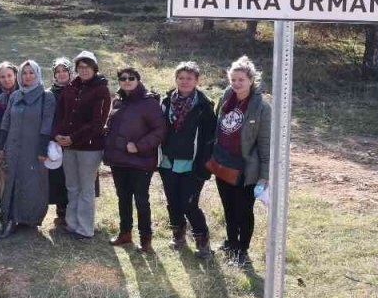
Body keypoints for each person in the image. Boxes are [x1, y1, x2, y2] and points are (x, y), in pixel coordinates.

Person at [210, 56, 271, 268]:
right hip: (223, 165)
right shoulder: (226, 97)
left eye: (241, 80)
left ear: (251, 80)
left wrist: (265, 174)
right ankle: (230, 243)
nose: (236, 84)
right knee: (228, 208)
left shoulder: (262, 108)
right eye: (233, 79)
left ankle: (242, 251)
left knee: (244, 211)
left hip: (246, 169)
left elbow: (265, 144)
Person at [103, 67, 167, 253]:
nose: (127, 81)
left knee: (141, 200)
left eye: (131, 78)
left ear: (138, 80)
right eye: (123, 78)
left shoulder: (149, 102)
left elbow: (160, 131)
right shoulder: (118, 100)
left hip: (141, 161)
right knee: (123, 198)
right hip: (118, 160)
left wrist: (139, 146)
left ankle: (146, 240)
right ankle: (125, 233)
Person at [159, 62, 217, 258]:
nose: (184, 82)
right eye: (181, 78)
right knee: (172, 201)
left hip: (193, 165)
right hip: (168, 161)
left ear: (197, 81)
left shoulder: (204, 106)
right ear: (176, 79)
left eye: (189, 78)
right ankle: (178, 235)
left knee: (189, 203)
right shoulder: (166, 102)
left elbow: (210, 139)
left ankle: (203, 242)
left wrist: (204, 167)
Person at [0, 60, 55, 238]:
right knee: (10, 182)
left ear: (37, 74)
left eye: (31, 73)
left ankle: (29, 218)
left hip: (33, 149)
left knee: (32, 183)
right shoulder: (15, 95)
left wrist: (42, 149)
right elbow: (6, 121)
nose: (28, 76)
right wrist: (1, 146)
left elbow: (47, 124)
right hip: (13, 147)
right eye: (24, 73)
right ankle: (10, 218)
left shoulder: (47, 97)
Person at [57, 51, 111, 240]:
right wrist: (59, 135)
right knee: (72, 186)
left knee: (86, 187)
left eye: (87, 67)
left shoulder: (101, 89)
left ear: (94, 68)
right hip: (68, 146)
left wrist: (73, 137)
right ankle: (72, 224)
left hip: (89, 147)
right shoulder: (71, 87)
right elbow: (62, 114)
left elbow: (97, 122)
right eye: (80, 67)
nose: (84, 70)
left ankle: (85, 228)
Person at [47, 57, 73, 230]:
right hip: (55, 140)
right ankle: (61, 210)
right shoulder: (49, 93)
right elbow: (47, 118)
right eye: (58, 71)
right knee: (58, 176)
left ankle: (75, 211)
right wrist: (55, 136)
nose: (62, 74)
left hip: (76, 139)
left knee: (74, 176)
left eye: (65, 70)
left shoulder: (78, 89)